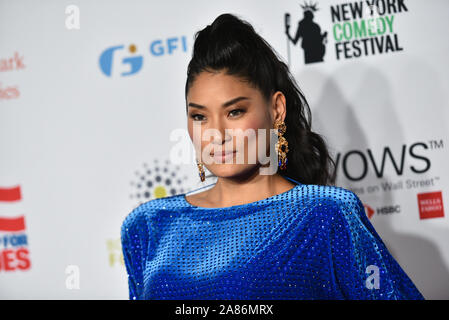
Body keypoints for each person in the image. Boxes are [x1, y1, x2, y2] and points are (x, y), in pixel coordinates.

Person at [120, 13, 424, 300]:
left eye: (235, 111)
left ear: (276, 110)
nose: (216, 133)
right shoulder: (148, 226)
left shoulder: (324, 215)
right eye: (199, 116)